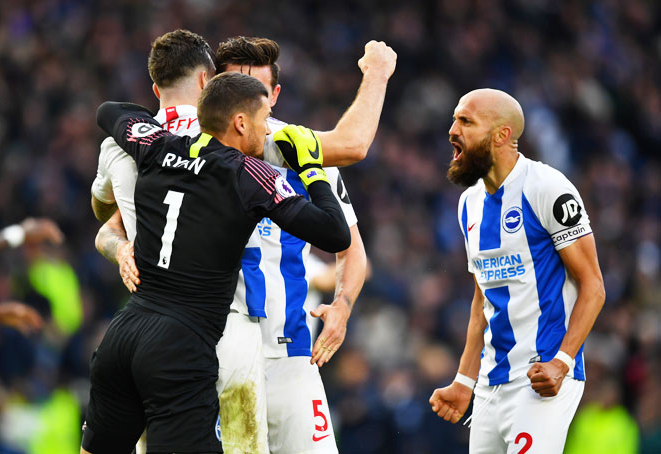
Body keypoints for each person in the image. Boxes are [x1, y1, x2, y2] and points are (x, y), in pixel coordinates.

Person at [91, 30, 394, 453]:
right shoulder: (209, 147)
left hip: (290, 347)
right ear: (212, 90)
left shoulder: (273, 138)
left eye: (258, 92)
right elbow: (110, 226)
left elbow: (350, 247)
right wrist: (120, 248)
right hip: (213, 340)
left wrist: (342, 305)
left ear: (274, 97)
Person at [429, 88, 606, 453]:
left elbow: (593, 285)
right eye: (454, 119)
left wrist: (562, 360)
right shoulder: (468, 204)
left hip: (542, 379)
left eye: (465, 121)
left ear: (501, 135)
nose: (452, 130)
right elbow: (482, 298)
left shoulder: (547, 188)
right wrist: (465, 379)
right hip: (491, 385)